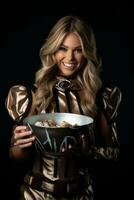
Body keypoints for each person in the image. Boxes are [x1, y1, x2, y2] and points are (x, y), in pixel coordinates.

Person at [5, 15, 122, 200]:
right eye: (63, 48)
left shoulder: (99, 97)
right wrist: (20, 144)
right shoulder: (33, 95)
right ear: (52, 50)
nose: (70, 58)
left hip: (82, 195)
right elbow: (15, 156)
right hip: (36, 195)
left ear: (87, 53)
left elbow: (115, 154)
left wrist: (88, 152)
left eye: (78, 50)